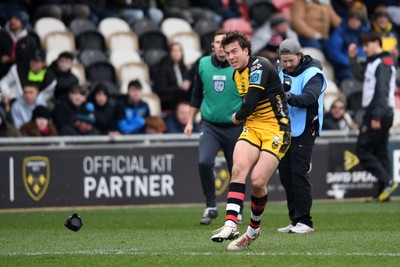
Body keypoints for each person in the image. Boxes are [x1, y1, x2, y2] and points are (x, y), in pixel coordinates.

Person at [210, 30, 291, 250]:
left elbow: (252, 102)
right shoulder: (236, 74)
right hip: (253, 128)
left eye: (235, 51)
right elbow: (250, 108)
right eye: (227, 54)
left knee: (257, 181)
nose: (231, 57)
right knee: (238, 169)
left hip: (276, 128)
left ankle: (253, 230)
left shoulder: (260, 65)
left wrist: (236, 117)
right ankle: (230, 223)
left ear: (246, 51)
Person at [183, 30, 243, 225]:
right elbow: (196, 95)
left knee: (238, 169)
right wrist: (190, 121)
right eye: (217, 42)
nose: (220, 46)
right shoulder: (203, 64)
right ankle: (211, 205)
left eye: (223, 43)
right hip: (210, 126)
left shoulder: (240, 67)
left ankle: (237, 209)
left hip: (235, 126)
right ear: (213, 46)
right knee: (204, 162)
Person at [277, 39, 326, 234]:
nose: (287, 65)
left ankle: (305, 221)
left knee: (298, 172)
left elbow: (309, 98)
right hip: (284, 128)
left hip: (305, 128)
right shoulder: (280, 71)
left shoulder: (314, 73)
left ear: (300, 55)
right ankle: (295, 219)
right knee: (286, 174)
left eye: (291, 60)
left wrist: (286, 97)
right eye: (284, 61)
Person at [348, 31, 399, 202]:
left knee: (362, 151)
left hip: (378, 113)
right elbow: (360, 76)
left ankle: (387, 181)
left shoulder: (383, 62)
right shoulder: (375, 62)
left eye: (366, 45)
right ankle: (383, 193)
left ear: (376, 42)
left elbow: (382, 92)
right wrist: (353, 59)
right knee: (380, 152)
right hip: (382, 112)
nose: (364, 49)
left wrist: (376, 117)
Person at [327, 7, 369, 84]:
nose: (354, 22)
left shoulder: (365, 34)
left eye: (357, 20)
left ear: (361, 21)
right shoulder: (340, 33)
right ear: (347, 19)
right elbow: (334, 53)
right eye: (352, 19)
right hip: (344, 68)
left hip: (363, 66)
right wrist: (349, 63)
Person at [153, 42, 192, 113]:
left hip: (182, 97)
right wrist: (180, 87)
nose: (176, 53)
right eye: (174, 50)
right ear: (169, 52)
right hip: (169, 99)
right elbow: (161, 89)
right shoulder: (163, 67)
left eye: (179, 50)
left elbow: (187, 82)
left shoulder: (183, 67)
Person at [0, 11, 40, 79]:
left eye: (16, 19)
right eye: (12, 18)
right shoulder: (2, 36)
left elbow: (32, 59)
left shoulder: (30, 40)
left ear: (23, 23)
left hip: (21, 75)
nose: (12, 21)